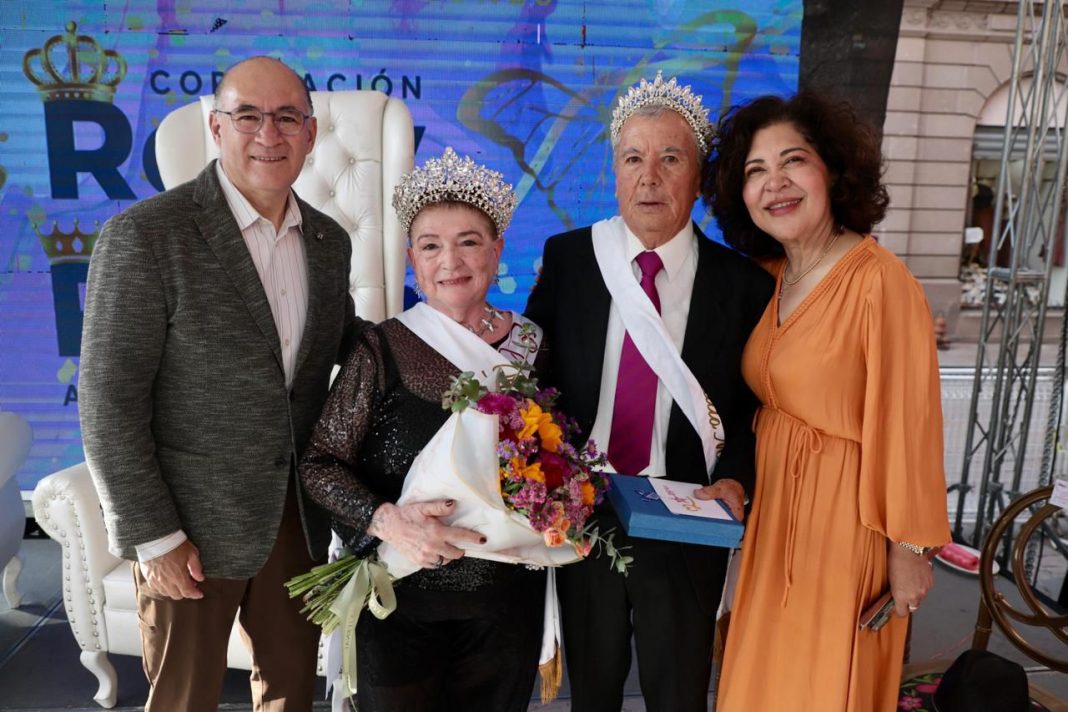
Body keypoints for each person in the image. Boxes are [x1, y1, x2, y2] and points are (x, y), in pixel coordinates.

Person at [78, 56, 361, 711]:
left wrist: (441, 340)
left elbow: (345, 341)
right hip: (189, 529)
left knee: (291, 695)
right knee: (184, 700)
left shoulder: (328, 241)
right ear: (217, 128)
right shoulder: (146, 235)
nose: (269, 134)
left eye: (287, 117)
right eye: (248, 116)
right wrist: (154, 537)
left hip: (297, 519)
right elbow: (108, 402)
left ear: (311, 134)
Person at [524, 72, 774, 712]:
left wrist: (737, 479)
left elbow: (756, 409)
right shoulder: (571, 259)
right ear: (614, 172)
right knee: (593, 692)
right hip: (587, 515)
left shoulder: (743, 285)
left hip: (688, 516)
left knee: (678, 694)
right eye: (633, 158)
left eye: (671, 159)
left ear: (699, 176)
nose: (650, 177)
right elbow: (533, 384)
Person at [702, 91, 951, 712]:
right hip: (775, 518)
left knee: (823, 685)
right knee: (763, 680)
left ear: (833, 171)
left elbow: (910, 423)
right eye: (756, 170)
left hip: (846, 520)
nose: (775, 183)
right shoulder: (770, 275)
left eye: (793, 161)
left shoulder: (880, 282)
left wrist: (910, 549)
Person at [299, 147, 546, 712]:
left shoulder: (532, 347)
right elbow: (318, 464)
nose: (450, 261)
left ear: (497, 251)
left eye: (469, 242)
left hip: (505, 606)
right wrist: (390, 522)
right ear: (413, 260)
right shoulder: (380, 348)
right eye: (431, 246)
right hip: (399, 600)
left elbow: (552, 455)